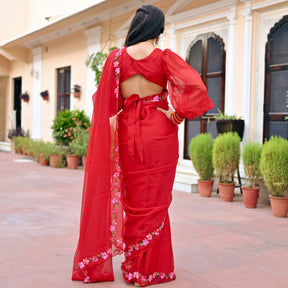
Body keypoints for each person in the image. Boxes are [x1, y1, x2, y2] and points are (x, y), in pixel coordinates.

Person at [72, 4, 213, 287]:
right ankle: (150, 271)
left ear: (136, 27)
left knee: (133, 201)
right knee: (156, 203)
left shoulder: (115, 59)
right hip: (159, 132)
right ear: (158, 30)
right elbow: (195, 88)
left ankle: (134, 268)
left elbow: (102, 100)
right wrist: (175, 114)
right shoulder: (164, 57)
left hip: (128, 133)